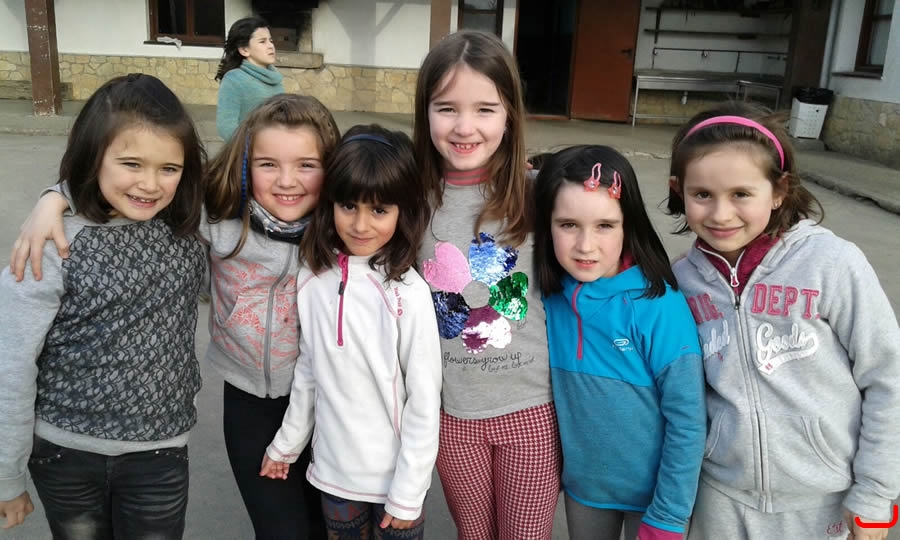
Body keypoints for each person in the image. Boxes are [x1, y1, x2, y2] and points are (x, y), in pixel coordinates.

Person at [8, 93, 340, 540]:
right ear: (245, 166)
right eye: (267, 164)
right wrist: (55, 197)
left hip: (337, 401)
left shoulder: (350, 226)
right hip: (252, 403)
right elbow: (140, 179)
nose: (286, 180)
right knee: (282, 530)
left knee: (338, 525)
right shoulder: (215, 216)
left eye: (307, 164)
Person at [666, 101, 900, 540]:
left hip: (823, 501)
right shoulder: (682, 281)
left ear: (779, 191)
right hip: (720, 498)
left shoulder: (832, 263)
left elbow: (888, 376)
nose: (720, 214)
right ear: (679, 191)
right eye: (703, 195)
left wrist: (875, 494)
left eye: (741, 194)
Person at [0, 73, 206, 538]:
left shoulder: (188, 231)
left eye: (169, 168)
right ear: (93, 156)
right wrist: (7, 474)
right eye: (131, 163)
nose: (150, 184)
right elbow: (10, 365)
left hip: (160, 452)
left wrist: (54, 195)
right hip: (65, 455)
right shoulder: (49, 245)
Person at [412, 29, 562, 539]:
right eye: (446, 108)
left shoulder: (540, 195)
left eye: (485, 109)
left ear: (509, 115)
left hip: (533, 411)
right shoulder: (407, 201)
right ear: (425, 112)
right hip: (453, 415)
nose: (465, 127)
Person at [259, 125, 442, 540]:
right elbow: (309, 372)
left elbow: (424, 398)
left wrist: (409, 491)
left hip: (394, 483)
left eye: (379, 210)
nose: (360, 225)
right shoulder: (312, 278)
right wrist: (286, 445)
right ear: (330, 204)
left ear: (403, 211)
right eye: (348, 206)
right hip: (333, 475)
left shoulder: (407, 292)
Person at [533, 145, 706, 540]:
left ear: (629, 225)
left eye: (605, 226)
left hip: (656, 500)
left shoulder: (658, 305)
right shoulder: (548, 296)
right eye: (568, 224)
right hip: (585, 492)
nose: (586, 245)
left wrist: (669, 513)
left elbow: (688, 418)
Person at [215, 16, 284, 141]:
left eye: (271, 41)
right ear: (244, 50)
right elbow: (226, 127)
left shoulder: (275, 78)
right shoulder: (234, 79)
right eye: (262, 41)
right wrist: (253, 146)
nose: (270, 46)